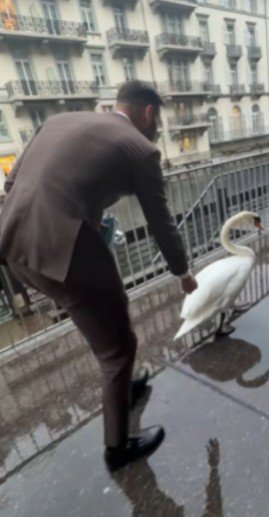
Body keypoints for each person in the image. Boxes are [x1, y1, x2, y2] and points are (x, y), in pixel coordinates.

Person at [0, 80, 198, 471]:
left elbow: (12, 183)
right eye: (158, 120)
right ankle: (118, 447)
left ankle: (122, 384)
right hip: (64, 246)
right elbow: (161, 222)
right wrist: (183, 272)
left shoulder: (59, 121)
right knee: (119, 346)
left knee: (103, 324)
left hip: (11, 240)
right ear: (148, 114)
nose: (157, 129)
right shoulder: (141, 149)